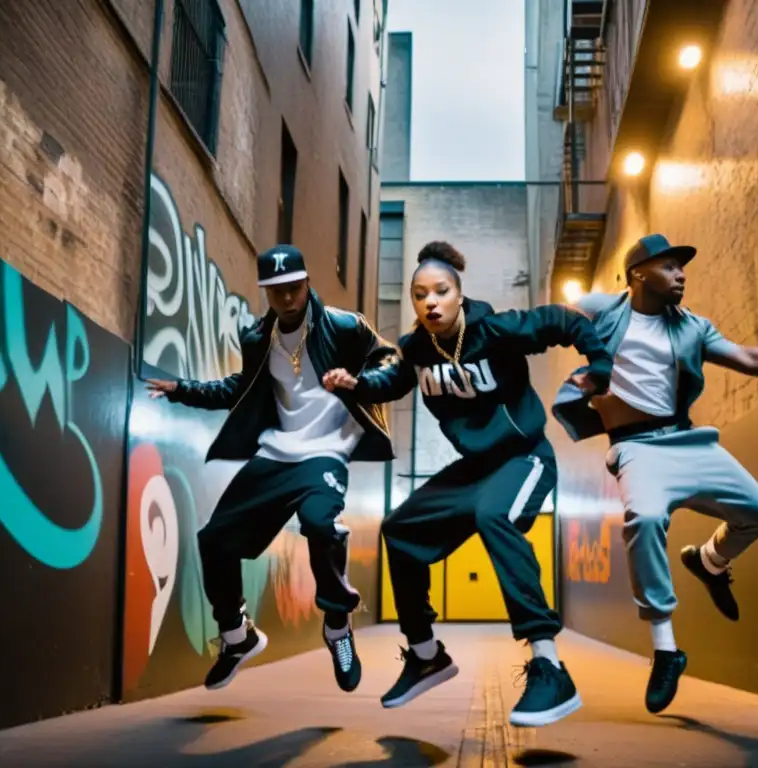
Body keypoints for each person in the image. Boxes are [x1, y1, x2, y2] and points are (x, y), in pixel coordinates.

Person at [552, 233, 758, 715]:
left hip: (686, 440)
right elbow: (551, 317)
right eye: (670, 267)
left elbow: (743, 356)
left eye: (682, 268)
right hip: (637, 449)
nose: (681, 275)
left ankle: (710, 562)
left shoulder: (693, 328)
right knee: (645, 519)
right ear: (638, 273)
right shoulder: (601, 308)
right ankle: (666, 649)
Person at [322, 241, 612, 727]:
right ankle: (425, 653)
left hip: (525, 457)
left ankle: (549, 665)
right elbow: (390, 383)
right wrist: (356, 383)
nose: (430, 302)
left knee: (494, 515)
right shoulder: (415, 349)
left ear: (459, 294)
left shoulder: (496, 330)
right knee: (401, 531)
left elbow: (567, 322)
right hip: (475, 468)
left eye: (441, 291)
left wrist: (599, 366)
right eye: (420, 295)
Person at [145, 244, 397, 694]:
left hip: (326, 451)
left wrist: (360, 384)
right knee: (214, 540)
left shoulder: (343, 326)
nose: (286, 298)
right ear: (267, 292)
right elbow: (240, 388)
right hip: (276, 453)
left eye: (294, 287)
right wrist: (183, 389)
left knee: (320, 523)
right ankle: (237, 636)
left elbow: (387, 360)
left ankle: (337, 625)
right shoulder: (258, 338)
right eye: (276, 290)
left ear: (306, 284)